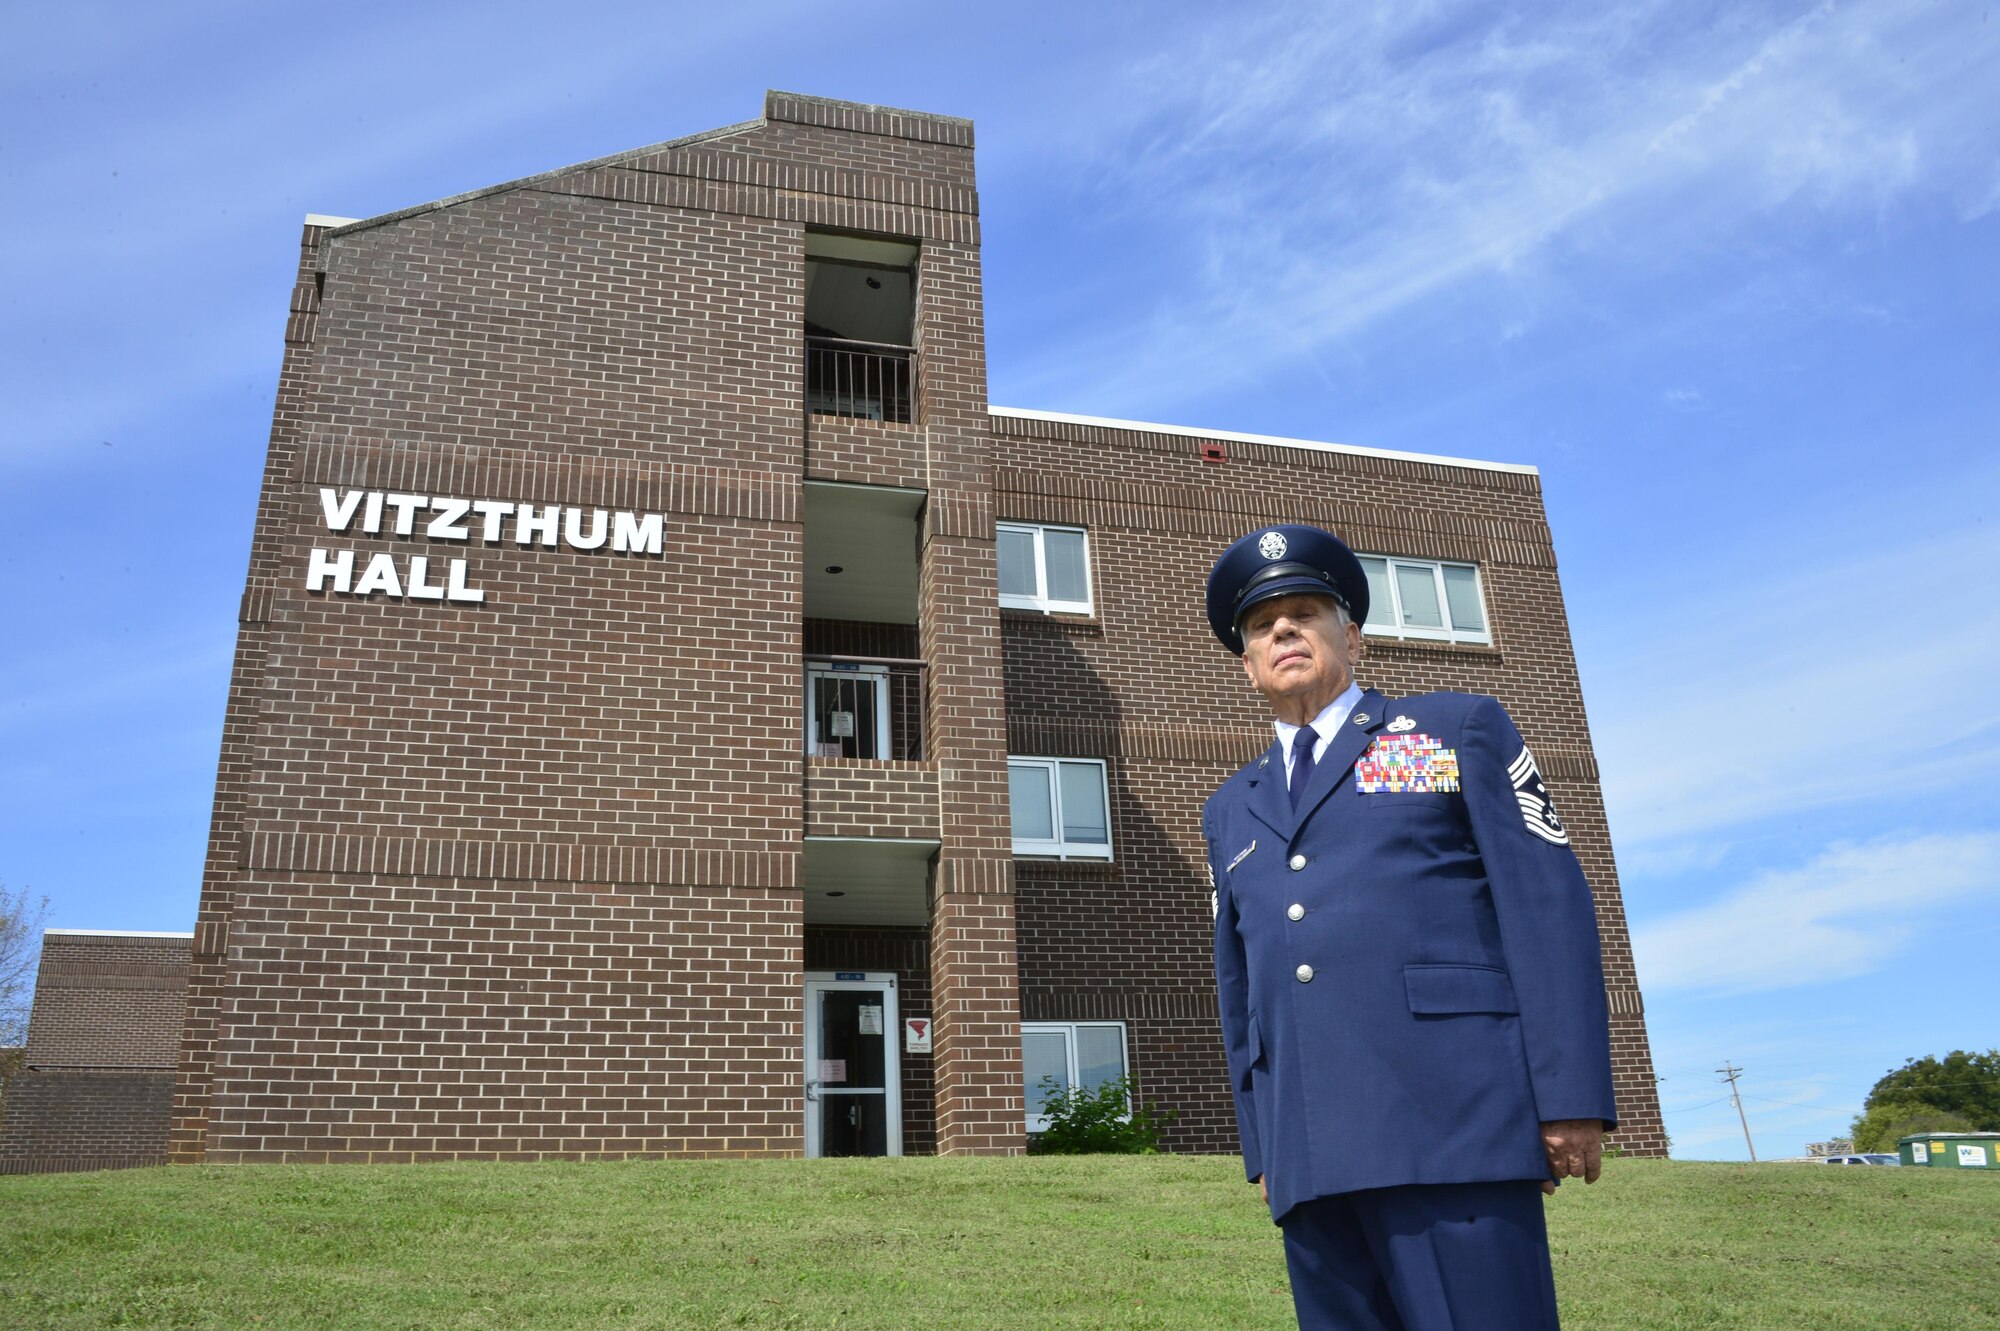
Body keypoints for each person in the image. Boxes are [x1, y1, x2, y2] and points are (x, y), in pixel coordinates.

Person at [1203, 524, 1616, 1331]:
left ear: (1350, 634)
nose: (1283, 629)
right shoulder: (1231, 808)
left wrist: (1569, 1097)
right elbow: (1239, 983)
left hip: (1453, 1128)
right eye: (1261, 624)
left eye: (1304, 611)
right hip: (1311, 1160)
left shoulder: (1444, 733)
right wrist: (1265, 1145)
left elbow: (1546, 907)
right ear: (1247, 662)